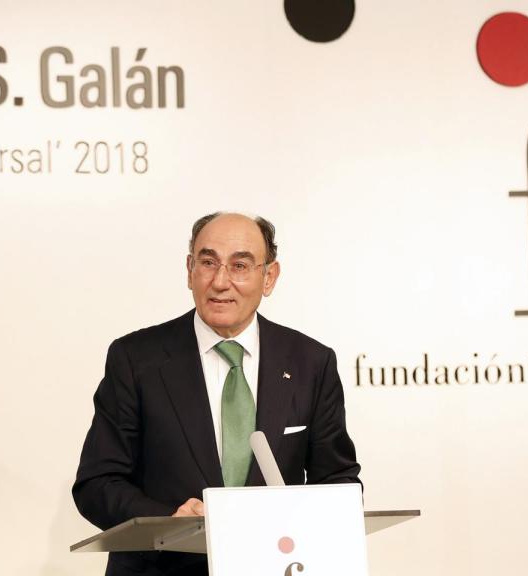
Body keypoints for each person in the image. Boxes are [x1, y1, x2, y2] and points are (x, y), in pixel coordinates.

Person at [72, 212, 361, 576]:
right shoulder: (136, 359)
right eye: (208, 263)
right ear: (189, 269)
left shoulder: (310, 362)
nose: (220, 281)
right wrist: (171, 520)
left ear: (269, 276)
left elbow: (338, 483)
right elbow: (97, 484)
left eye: (240, 265)